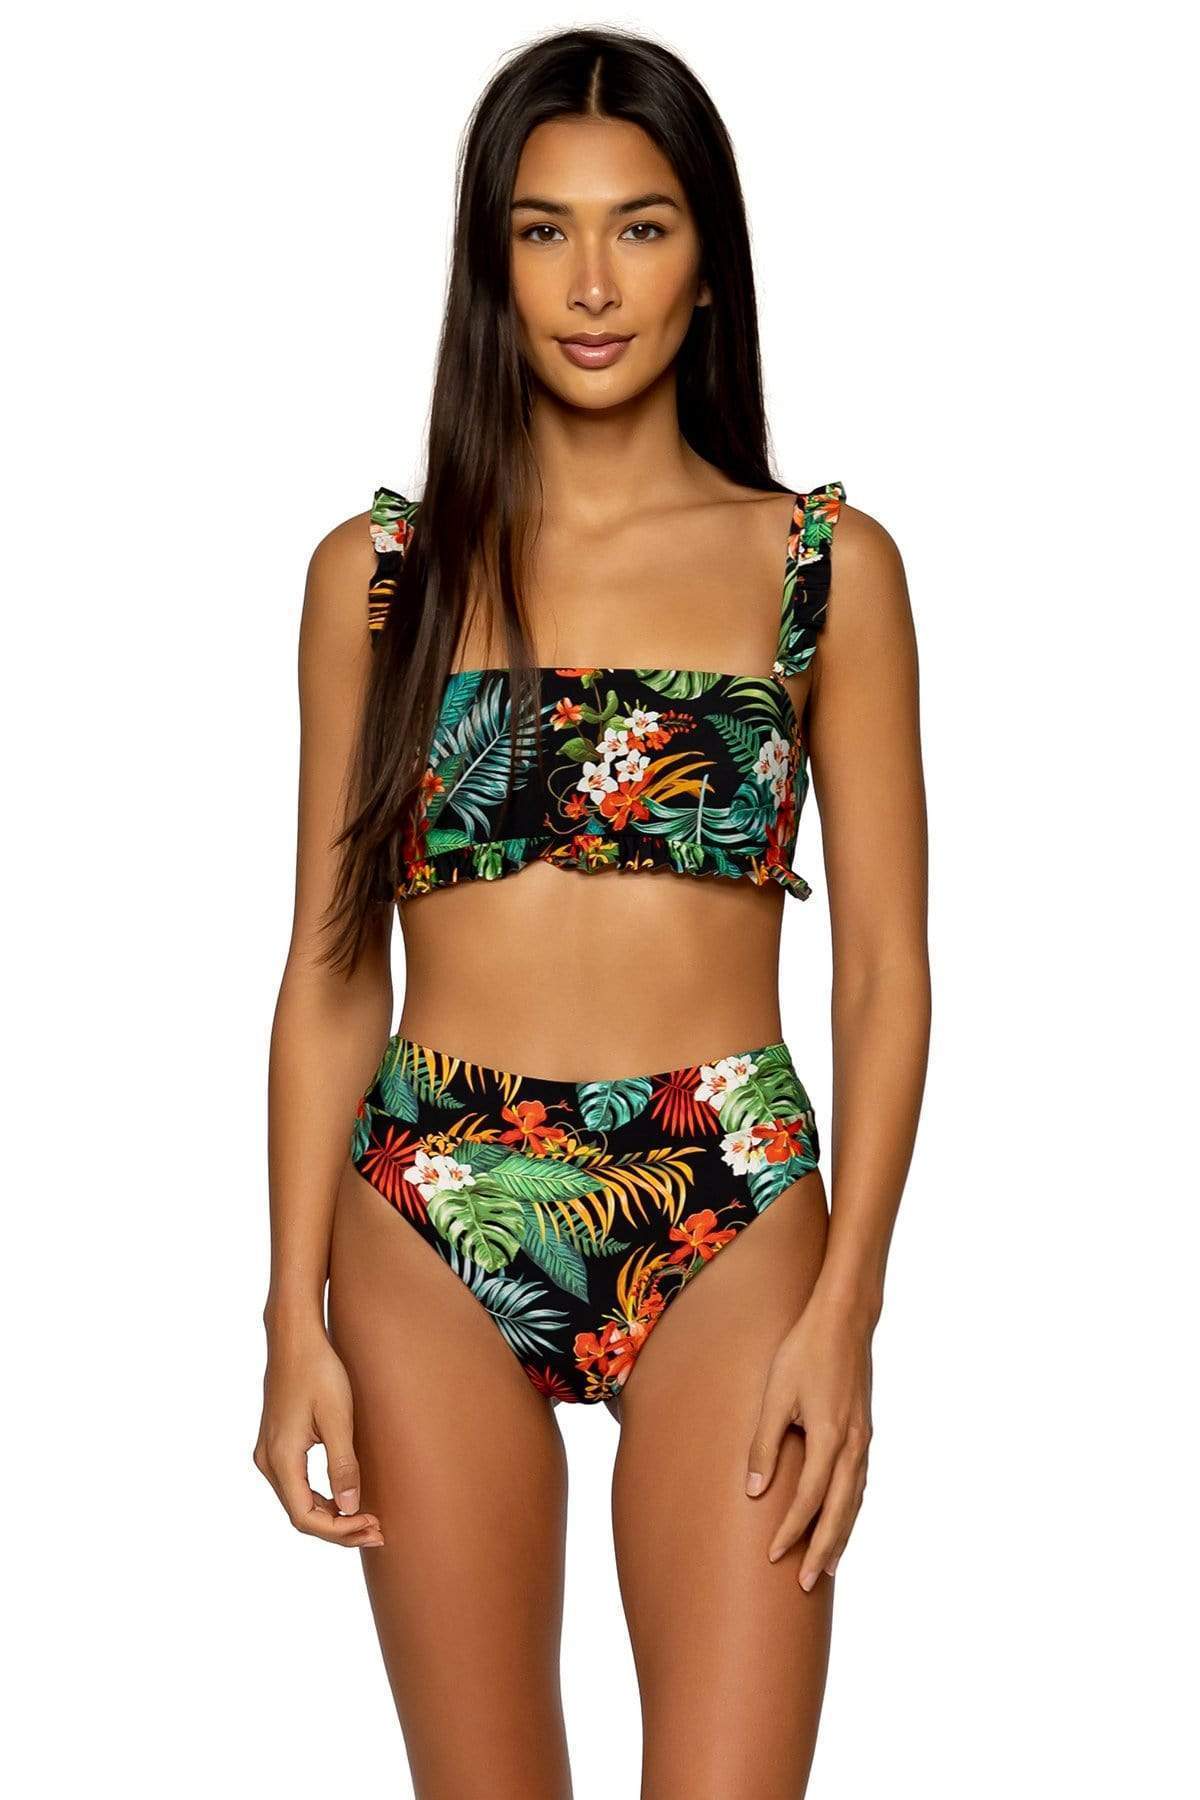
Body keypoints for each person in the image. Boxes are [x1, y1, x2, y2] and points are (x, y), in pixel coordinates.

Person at [254, 25, 929, 1797]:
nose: (593, 283)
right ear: (490, 266)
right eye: (542, 231)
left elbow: (884, 972)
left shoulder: (824, 570)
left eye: (641, 226)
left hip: (730, 1195)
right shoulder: (379, 580)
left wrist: (849, 1308)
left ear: (709, 262)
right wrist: (286, 1317)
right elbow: (329, 972)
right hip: (428, 1196)